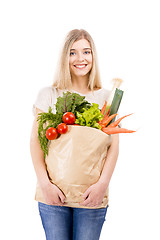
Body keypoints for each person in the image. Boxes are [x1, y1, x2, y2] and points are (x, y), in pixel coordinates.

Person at [30, 29, 119, 240]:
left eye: (86, 52)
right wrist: (45, 185)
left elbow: (113, 146)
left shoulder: (106, 97)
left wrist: (102, 185)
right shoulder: (48, 94)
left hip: (91, 196)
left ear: (93, 56)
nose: (80, 59)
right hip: (53, 194)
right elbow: (35, 143)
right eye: (72, 53)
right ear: (64, 58)